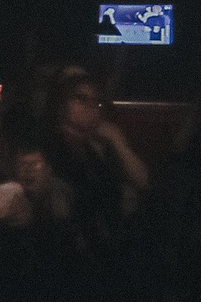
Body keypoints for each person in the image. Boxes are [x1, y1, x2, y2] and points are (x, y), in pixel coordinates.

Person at [41, 66, 148, 248]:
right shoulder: (45, 143)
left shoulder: (100, 143)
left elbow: (143, 182)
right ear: (60, 102)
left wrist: (118, 143)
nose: (90, 107)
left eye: (96, 103)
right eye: (80, 98)